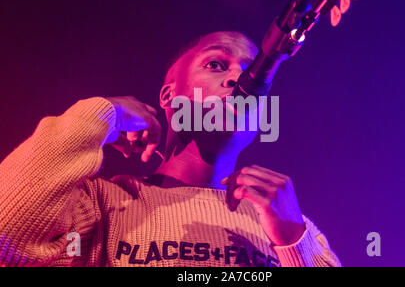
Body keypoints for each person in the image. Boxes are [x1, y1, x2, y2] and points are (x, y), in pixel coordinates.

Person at [0, 31, 341, 267]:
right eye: (217, 65)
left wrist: (295, 243)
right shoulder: (101, 205)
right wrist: (103, 112)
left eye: (253, 71)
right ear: (168, 97)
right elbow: (6, 234)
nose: (239, 79)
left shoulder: (292, 228)